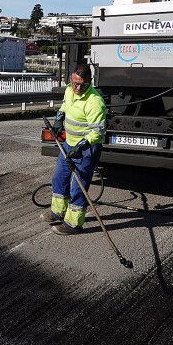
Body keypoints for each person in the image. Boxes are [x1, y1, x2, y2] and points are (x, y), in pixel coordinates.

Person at [40, 64, 107, 235]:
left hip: (86, 149)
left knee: (78, 186)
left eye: (82, 85)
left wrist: (81, 146)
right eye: (75, 83)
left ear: (89, 82)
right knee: (59, 178)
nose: (77, 88)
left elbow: (98, 132)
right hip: (69, 144)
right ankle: (58, 212)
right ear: (71, 78)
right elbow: (64, 106)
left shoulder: (94, 102)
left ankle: (73, 223)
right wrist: (59, 120)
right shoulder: (70, 90)